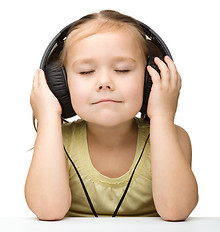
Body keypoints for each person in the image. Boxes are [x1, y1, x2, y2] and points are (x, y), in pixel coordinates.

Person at [25, 10, 198, 221]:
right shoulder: (54, 140)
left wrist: (162, 115)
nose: (104, 82)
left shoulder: (175, 138)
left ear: (150, 78)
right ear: (59, 83)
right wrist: (48, 117)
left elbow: (176, 211)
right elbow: (48, 211)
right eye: (87, 71)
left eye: (123, 70)